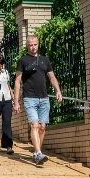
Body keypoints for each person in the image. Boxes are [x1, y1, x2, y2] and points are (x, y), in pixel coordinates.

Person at [13, 35, 63, 165]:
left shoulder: (45, 60)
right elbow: (18, 81)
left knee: (42, 127)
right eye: (30, 45)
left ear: (38, 44)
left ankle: (36, 153)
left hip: (44, 98)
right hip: (30, 98)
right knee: (34, 125)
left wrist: (58, 91)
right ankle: (39, 153)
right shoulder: (23, 61)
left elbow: (52, 77)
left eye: (35, 44)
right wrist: (16, 101)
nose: (33, 47)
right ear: (27, 46)